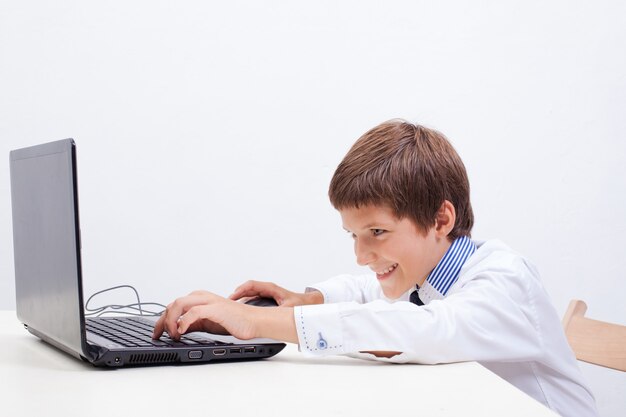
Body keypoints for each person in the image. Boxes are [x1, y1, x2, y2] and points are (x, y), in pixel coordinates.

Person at [153, 120, 598, 417]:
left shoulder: (505, 281)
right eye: (353, 235)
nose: (362, 255)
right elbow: (367, 291)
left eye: (377, 233)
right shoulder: (423, 273)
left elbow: (416, 328)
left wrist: (254, 320)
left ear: (440, 220)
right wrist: (307, 300)